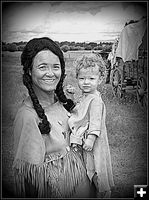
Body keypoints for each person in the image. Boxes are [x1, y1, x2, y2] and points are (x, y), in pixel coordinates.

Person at [12, 37, 93, 198]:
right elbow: (31, 182)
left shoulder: (62, 104)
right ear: (29, 71)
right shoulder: (28, 117)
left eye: (56, 67)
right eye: (42, 67)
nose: (50, 73)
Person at [67, 53, 115, 198]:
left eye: (91, 78)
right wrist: (71, 96)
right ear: (77, 78)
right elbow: (79, 111)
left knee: (95, 168)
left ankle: (102, 193)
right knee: (87, 167)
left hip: (93, 143)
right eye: (82, 78)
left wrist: (91, 138)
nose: (86, 82)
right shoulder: (85, 96)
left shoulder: (96, 100)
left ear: (100, 79)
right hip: (84, 142)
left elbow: (95, 122)